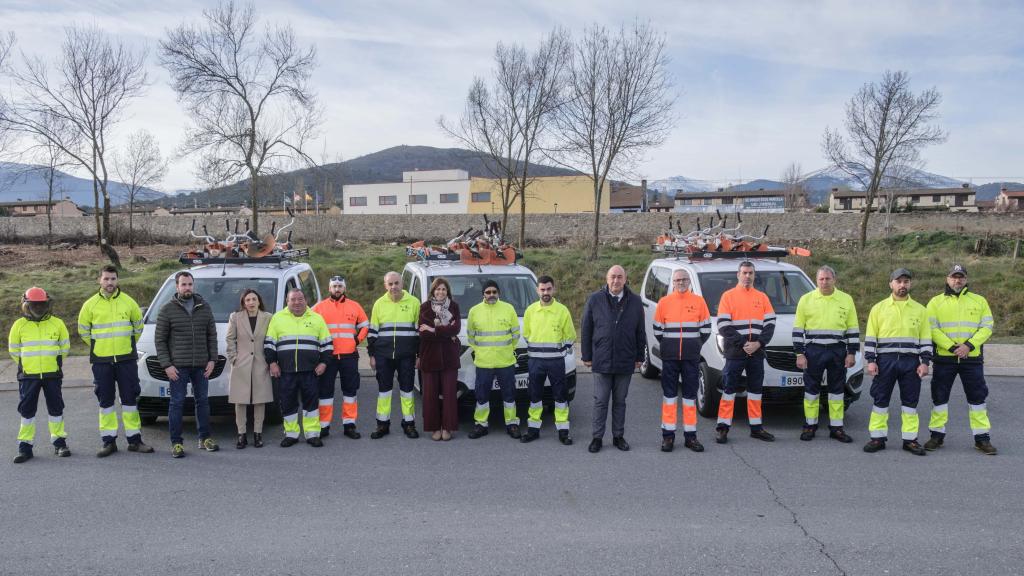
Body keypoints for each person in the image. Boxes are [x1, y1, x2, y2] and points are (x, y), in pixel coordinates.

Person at [78, 265, 154, 457]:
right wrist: (98, 347)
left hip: (126, 359)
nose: (109, 282)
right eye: (106, 279)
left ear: (117, 280)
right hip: (101, 361)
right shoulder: (90, 305)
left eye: (113, 279)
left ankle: (134, 440)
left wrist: (127, 345)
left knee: (129, 400)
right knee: (106, 402)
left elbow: (138, 327)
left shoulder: (129, 302)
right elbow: (83, 331)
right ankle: (108, 441)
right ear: (99, 280)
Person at [925, 264, 997, 455]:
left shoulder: (979, 301)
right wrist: (951, 347)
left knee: (978, 399)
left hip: (971, 359)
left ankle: (982, 439)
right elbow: (931, 328)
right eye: (954, 277)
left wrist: (968, 346)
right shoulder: (935, 302)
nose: (957, 280)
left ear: (966, 279)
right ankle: (936, 436)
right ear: (947, 279)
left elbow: (987, 327)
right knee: (939, 398)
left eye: (961, 277)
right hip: (944, 359)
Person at [863, 268, 932, 456]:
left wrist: (925, 361)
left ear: (910, 284)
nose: (902, 285)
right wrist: (871, 360)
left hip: (911, 362)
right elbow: (871, 338)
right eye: (898, 281)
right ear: (890, 284)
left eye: (906, 282)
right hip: (885, 361)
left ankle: (910, 440)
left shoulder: (920, 310)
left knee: (910, 402)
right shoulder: (878, 308)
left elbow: (926, 339)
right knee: (880, 400)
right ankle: (877, 438)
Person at [581, 265, 645, 453]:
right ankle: (597, 438)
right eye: (612, 277)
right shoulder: (594, 299)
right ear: (606, 279)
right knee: (600, 401)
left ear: (625, 279)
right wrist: (586, 355)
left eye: (619, 277)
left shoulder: (635, 301)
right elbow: (586, 329)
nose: (616, 281)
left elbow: (640, 331)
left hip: (625, 360)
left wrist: (640, 356)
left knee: (620, 401)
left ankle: (618, 436)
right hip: (601, 359)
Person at [155, 271, 219, 459]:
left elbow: (211, 336)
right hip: (178, 367)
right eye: (183, 284)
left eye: (190, 284)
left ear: (193, 285)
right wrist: (166, 365)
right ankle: (176, 443)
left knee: (203, 402)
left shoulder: (204, 307)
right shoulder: (167, 309)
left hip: (201, 365)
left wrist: (212, 359)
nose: (187, 288)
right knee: (176, 403)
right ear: (177, 287)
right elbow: (160, 341)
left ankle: (204, 438)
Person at [793, 265, 859, 443]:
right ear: (817, 280)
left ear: (834, 280)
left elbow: (853, 329)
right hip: (813, 351)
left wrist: (851, 353)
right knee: (811, 391)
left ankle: (836, 428)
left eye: (828, 279)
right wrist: (799, 353)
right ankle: (810, 425)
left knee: (837, 391)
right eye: (821, 279)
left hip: (837, 351)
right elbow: (798, 330)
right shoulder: (806, 300)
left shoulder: (846, 299)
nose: (824, 282)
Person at [715, 261, 777, 444]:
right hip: (735, 351)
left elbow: (770, 323)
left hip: (756, 352)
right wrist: (744, 343)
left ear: (754, 275)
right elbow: (723, 325)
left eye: (750, 273)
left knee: (756, 391)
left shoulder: (762, 297)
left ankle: (756, 428)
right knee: (728, 390)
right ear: (738, 275)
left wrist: (759, 343)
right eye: (744, 272)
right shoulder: (728, 296)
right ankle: (722, 428)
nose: (747, 276)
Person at [9, 287, 71, 463]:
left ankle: (60, 443)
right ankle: (25, 448)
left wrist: (55, 363)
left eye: (41, 304)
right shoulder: (18, 326)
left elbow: (64, 347)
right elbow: (14, 351)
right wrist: (27, 366)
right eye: (34, 305)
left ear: (47, 304)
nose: (38, 307)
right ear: (26, 305)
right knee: (27, 412)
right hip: (29, 376)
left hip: (52, 374)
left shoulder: (57, 323)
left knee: (56, 409)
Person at [653, 269, 711, 453]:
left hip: (690, 358)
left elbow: (706, 328)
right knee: (669, 397)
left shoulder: (699, 301)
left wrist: (694, 345)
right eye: (677, 280)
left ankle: (690, 436)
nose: (681, 282)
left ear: (689, 282)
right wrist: (669, 346)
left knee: (689, 397)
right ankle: (668, 437)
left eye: (684, 279)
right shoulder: (664, 302)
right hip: (670, 358)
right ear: (673, 282)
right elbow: (657, 330)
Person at [265, 288, 332, 447]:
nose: (297, 302)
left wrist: (323, 363)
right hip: (286, 371)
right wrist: (272, 363)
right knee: (288, 403)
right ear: (287, 301)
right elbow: (269, 344)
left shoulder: (317, 319)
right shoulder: (277, 318)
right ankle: (291, 434)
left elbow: (327, 345)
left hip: (311, 371)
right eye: (293, 299)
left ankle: (312, 434)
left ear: (305, 300)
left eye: (300, 299)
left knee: (311, 404)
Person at [312, 275, 369, 440]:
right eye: (334, 286)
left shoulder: (355, 306)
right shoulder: (319, 308)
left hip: (349, 355)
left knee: (350, 391)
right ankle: (323, 426)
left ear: (344, 288)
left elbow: (365, 326)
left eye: (340, 286)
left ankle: (349, 425)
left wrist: (357, 340)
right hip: (327, 356)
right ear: (329, 289)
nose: (337, 289)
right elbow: (310, 328)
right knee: (325, 392)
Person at [521, 275, 576, 445]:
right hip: (535, 361)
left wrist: (561, 351)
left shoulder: (562, 310)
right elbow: (527, 334)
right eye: (542, 289)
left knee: (560, 396)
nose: (545, 292)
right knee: (534, 396)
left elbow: (570, 336)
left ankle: (563, 431)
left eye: (549, 289)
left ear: (554, 289)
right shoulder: (530, 310)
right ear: (537, 290)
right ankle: (533, 429)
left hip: (556, 362)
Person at [367, 272, 421, 439]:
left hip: (407, 355)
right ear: (385, 286)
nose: (393, 287)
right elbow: (373, 332)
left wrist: (419, 355)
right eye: (390, 284)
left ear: (402, 283)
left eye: (396, 283)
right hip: (383, 355)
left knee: (407, 391)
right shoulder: (379, 304)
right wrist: (371, 355)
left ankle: (409, 424)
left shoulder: (414, 302)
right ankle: (382, 424)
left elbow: (420, 332)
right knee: (384, 391)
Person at [467, 280, 521, 440]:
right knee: (482, 395)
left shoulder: (508, 309)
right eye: (488, 292)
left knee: (509, 395)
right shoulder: (474, 311)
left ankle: (512, 424)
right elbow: (471, 336)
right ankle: (481, 424)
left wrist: (508, 350)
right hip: (483, 362)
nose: (491, 295)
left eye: (494, 292)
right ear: (483, 294)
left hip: (506, 361)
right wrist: (479, 351)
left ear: (499, 293)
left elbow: (515, 334)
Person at [225, 289, 273, 449]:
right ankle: (241, 435)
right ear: (243, 303)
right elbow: (230, 338)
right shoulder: (235, 317)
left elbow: (271, 339)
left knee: (260, 400)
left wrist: (270, 360)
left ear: (259, 301)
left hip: (261, 363)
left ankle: (258, 434)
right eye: (248, 300)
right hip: (241, 363)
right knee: (240, 400)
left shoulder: (268, 317)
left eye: (254, 299)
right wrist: (233, 358)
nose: (251, 302)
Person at [418, 277, 461, 441]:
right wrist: (444, 331)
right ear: (433, 291)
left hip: (450, 357)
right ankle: (434, 427)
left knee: (450, 394)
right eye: (437, 289)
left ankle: (448, 428)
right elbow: (423, 334)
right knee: (430, 394)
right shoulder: (425, 307)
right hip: (429, 357)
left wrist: (433, 328)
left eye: (443, 289)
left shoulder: (454, 307)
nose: (440, 292)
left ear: (447, 291)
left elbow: (455, 329)